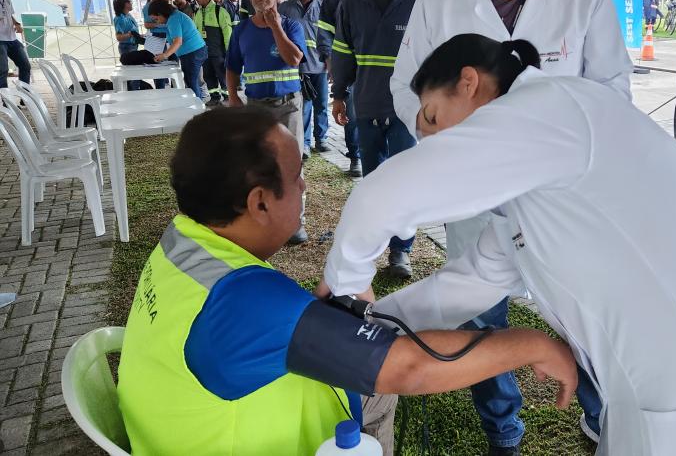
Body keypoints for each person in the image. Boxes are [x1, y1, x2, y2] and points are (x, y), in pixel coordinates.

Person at [321, 34, 676, 456]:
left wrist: (346, 292)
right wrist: (366, 325)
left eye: (431, 119)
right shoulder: (529, 190)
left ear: (468, 83)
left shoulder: (553, 108)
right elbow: (462, 289)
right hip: (653, 405)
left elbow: (380, 195)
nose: (431, 144)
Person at [117, 105, 578, 456]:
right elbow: (411, 369)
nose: (305, 189)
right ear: (259, 203)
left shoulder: (184, 240)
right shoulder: (248, 303)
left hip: (177, 433)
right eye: (297, 178)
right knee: (384, 384)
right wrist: (532, 344)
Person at [387, 0, 632, 448]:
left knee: (584, 317)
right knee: (478, 317)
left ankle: (600, 418)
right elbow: (406, 88)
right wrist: (442, 131)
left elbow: (612, 90)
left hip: (561, 201)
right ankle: (503, 429)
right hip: (472, 195)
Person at [330, 0, 418, 278]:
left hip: (405, 110)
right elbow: (342, 51)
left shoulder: (416, 1)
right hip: (365, 106)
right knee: (374, 182)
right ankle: (374, 246)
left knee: (403, 183)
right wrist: (337, 95)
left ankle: (401, 252)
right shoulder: (352, 3)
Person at [225, 0, 309, 245]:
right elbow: (232, 66)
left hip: (288, 105)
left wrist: (275, 27)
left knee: (291, 163)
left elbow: (294, 59)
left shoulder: (291, 26)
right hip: (256, 109)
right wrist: (234, 97)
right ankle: (265, 218)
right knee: (260, 163)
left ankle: (296, 221)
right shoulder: (241, 31)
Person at [317, 0, 363, 177]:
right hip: (345, 66)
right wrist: (329, 58)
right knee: (350, 113)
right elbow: (324, 32)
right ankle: (356, 156)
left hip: (369, 66)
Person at [279, 0, 330, 158]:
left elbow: (330, 34)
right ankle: (306, 143)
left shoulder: (324, 7)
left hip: (321, 65)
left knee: (322, 104)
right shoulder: (285, 9)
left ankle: (322, 138)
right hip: (298, 67)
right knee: (303, 106)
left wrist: (330, 60)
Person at [146, 0, 208, 99]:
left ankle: (198, 108)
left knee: (191, 82)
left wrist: (165, 55)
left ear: (161, 13)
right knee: (191, 81)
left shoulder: (173, 19)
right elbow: (168, 33)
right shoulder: (173, 17)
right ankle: (198, 103)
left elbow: (178, 42)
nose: (158, 22)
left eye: (156, 19)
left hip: (192, 53)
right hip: (192, 52)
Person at [192, 0, 234, 106]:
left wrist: (229, 51)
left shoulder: (219, 11)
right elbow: (196, 32)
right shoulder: (198, 13)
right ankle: (214, 96)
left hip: (219, 51)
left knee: (222, 74)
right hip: (204, 52)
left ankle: (228, 96)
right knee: (208, 75)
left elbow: (227, 33)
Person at [112, 0, 145, 91]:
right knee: (132, 74)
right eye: (130, 1)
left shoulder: (128, 15)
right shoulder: (119, 18)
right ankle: (133, 92)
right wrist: (130, 34)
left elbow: (132, 31)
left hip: (133, 46)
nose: (132, 3)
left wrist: (138, 36)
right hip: (127, 47)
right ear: (125, 4)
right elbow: (119, 37)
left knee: (135, 73)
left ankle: (136, 90)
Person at [0, 0, 29, 89]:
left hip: (11, 38)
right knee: (3, 70)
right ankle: (6, 101)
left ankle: (25, 95)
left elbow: (10, 14)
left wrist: (16, 23)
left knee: (25, 65)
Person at [143, 0, 172, 89]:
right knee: (157, 66)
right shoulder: (149, 7)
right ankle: (160, 90)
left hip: (170, 37)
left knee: (172, 65)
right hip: (157, 38)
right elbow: (146, 24)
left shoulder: (167, 6)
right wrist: (161, 24)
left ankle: (174, 88)